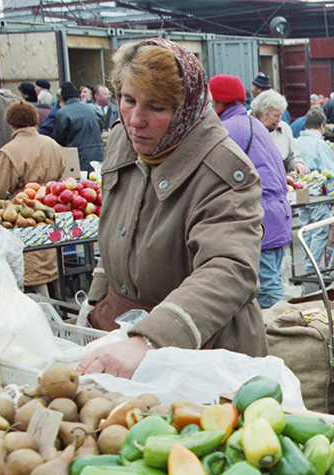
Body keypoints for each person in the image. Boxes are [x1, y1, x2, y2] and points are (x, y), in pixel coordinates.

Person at [77, 38, 268, 378]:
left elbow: (229, 269)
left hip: (202, 350)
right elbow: (117, 231)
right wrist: (94, 306)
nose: (136, 119)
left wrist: (149, 339)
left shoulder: (223, 171)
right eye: (128, 99)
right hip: (120, 335)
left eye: (157, 107)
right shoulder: (124, 141)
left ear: (186, 109)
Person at [209, 74, 291, 308]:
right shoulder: (252, 124)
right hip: (276, 214)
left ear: (215, 102)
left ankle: (286, 339)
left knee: (268, 291)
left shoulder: (225, 130)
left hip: (260, 218)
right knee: (270, 282)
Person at [0, 100, 65, 297]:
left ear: (11, 123)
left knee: (33, 267)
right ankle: (61, 301)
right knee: (52, 259)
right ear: (34, 120)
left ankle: (47, 311)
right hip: (52, 210)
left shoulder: (9, 151)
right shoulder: (53, 145)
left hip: (26, 216)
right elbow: (62, 177)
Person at [296, 108, 334, 273]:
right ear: (322, 126)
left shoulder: (296, 142)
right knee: (320, 231)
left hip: (300, 193)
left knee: (305, 230)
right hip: (318, 195)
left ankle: (308, 263)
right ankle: (312, 267)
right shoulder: (320, 144)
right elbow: (330, 172)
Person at [251, 90, 309, 175]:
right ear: (261, 113)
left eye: (281, 115)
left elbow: (292, 157)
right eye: (275, 115)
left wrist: (297, 164)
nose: (279, 119)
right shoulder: (246, 127)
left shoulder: (284, 129)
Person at [52, 82, 105, 171]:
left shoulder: (62, 113)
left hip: (78, 157)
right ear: (78, 96)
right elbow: (101, 124)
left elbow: (59, 138)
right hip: (99, 153)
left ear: (63, 99)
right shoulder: (92, 108)